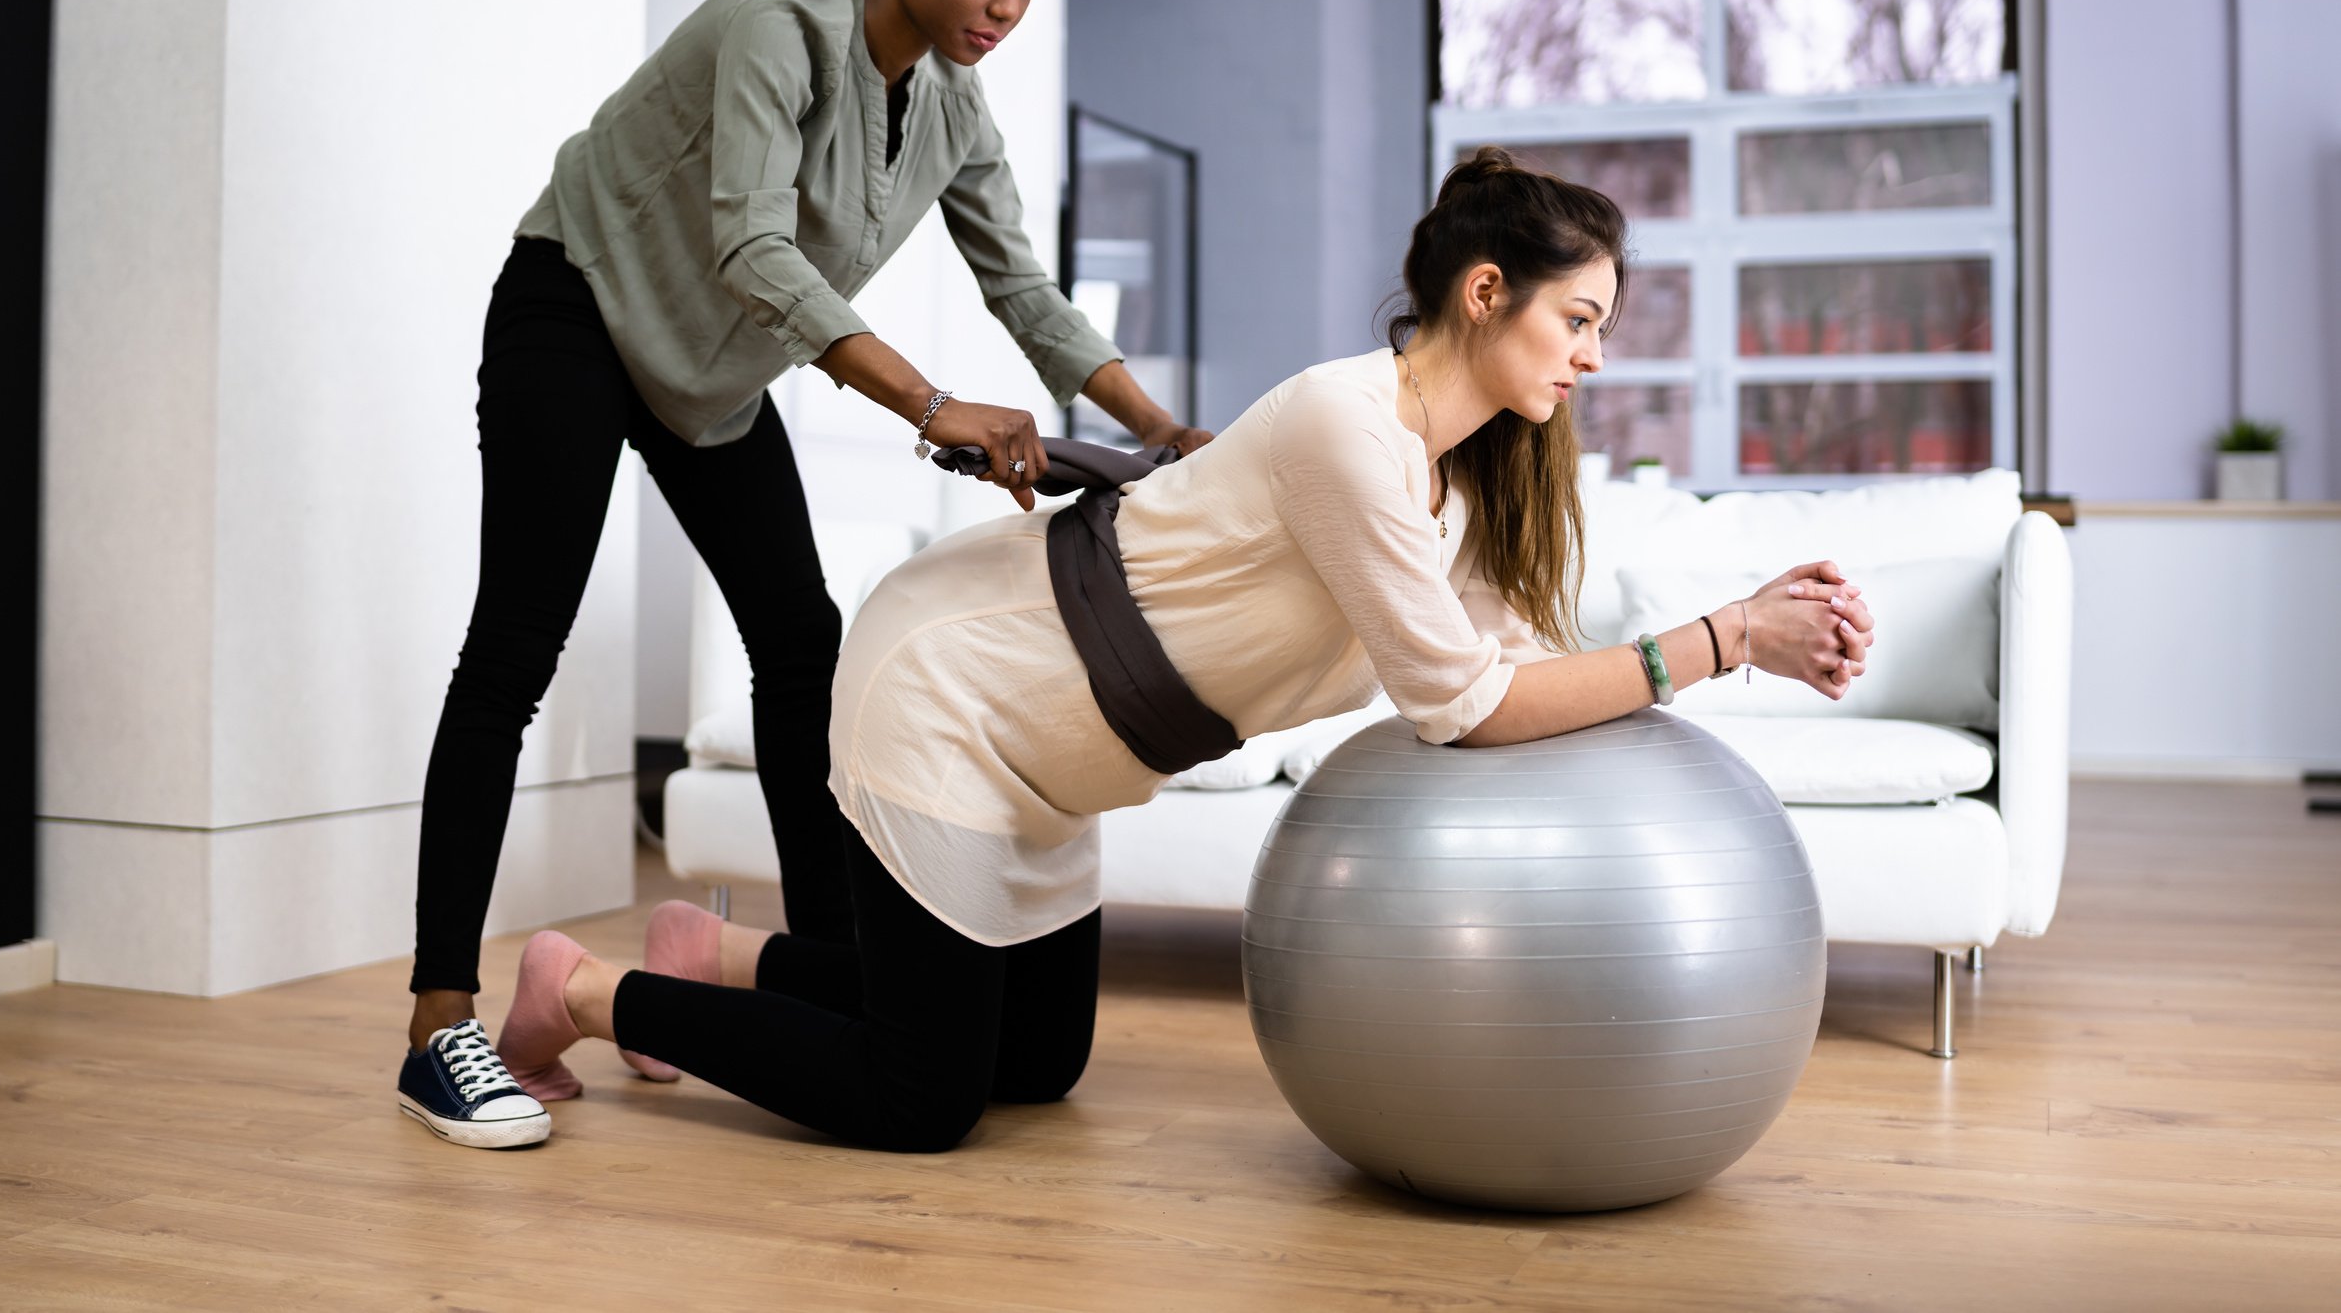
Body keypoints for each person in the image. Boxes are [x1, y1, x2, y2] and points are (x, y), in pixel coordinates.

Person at [485, 150, 1880, 1154]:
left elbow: (1529, 662)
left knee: (1035, 1067)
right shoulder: (1351, 427)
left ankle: (714, 963)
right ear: (1482, 290)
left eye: (1599, 334)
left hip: (1063, 759)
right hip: (958, 688)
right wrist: (1721, 641)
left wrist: (1752, 622)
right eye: (1576, 320)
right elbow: (1462, 706)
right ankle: (591, 990)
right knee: (925, 1101)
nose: (1589, 359)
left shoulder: (1461, 485)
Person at [394, 0, 1209, 1151]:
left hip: (706, 375)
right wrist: (931, 402)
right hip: (577, 312)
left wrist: (1165, 431)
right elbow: (751, 248)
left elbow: (1028, 292)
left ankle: (845, 979)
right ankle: (436, 1022)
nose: (1004, 7)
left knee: (802, 645)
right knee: (514, 649)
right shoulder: (772, 29)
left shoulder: (949, 107)